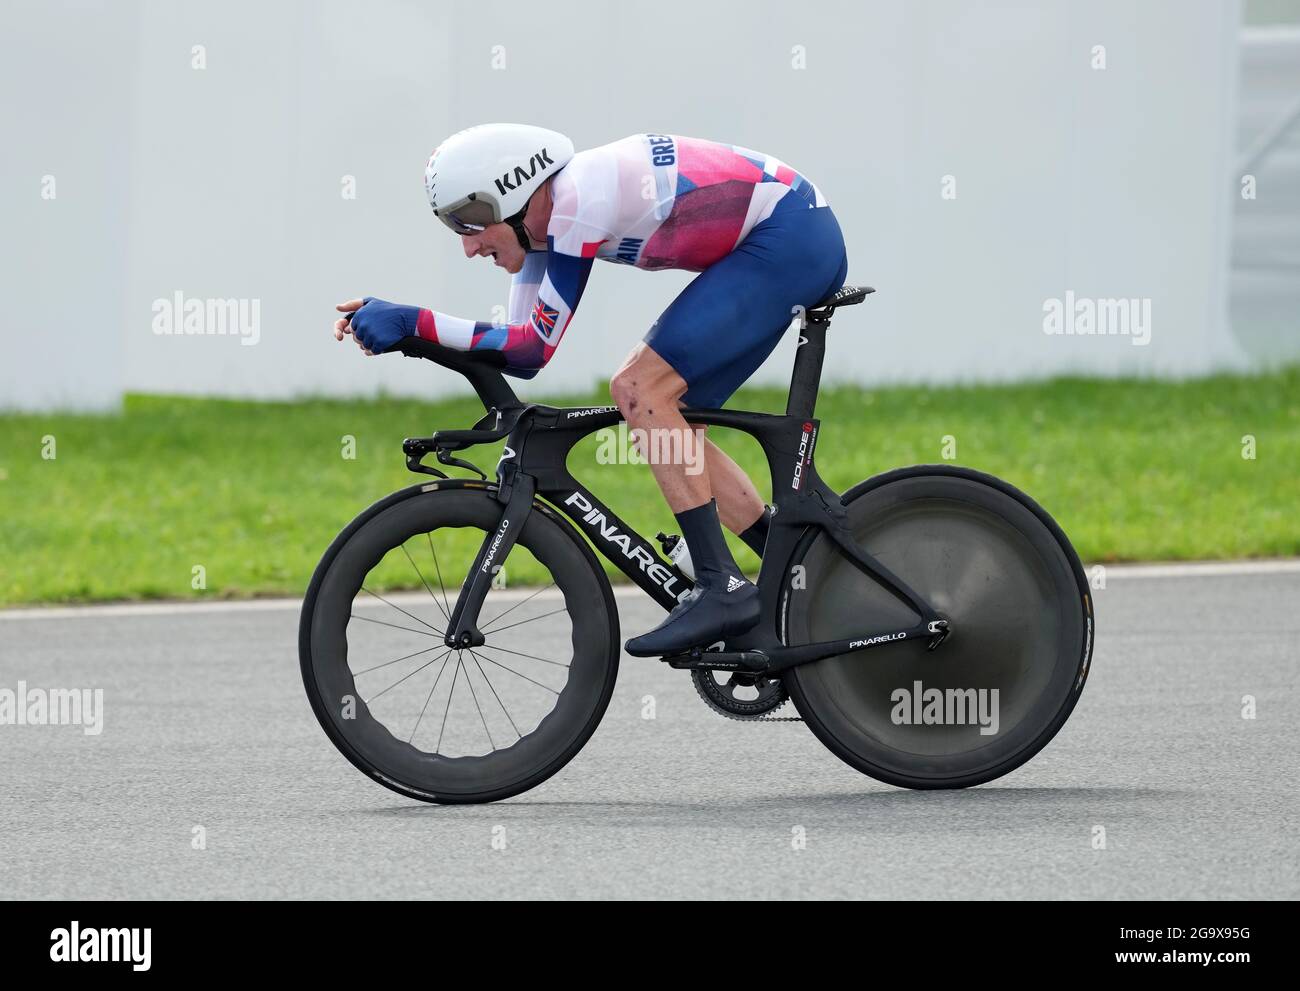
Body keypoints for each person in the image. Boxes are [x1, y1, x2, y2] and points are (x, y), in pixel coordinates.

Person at [335, 124, 848, 657]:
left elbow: (533, 346)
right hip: (787, 235)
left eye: (470, 222)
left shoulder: (577, 202)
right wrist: (412, 333)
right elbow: (518, 355)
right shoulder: (540, 228)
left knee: (638, 390)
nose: (467, 246)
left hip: (789, 237)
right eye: (453, 227)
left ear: (510, 194)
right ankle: (781, 560)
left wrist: (414, 320)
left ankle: (722, 584)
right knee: (669, 416)